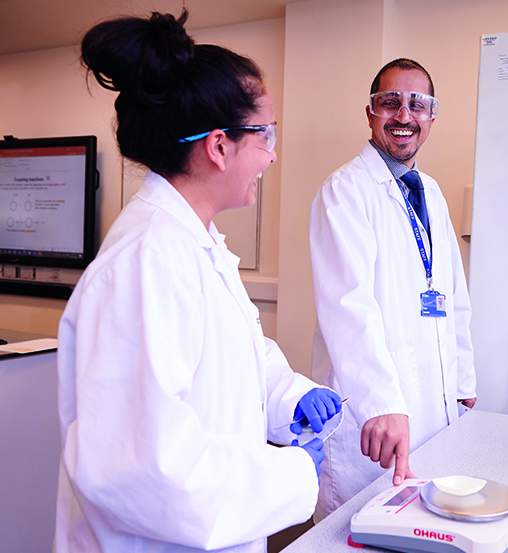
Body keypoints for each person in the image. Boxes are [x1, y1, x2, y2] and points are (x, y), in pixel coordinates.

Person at [55, 10, 342, 553]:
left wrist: (288, 397)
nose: (273, 154)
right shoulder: (145, 264)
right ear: (218, 146)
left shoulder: (196, 245)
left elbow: (230, 358)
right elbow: (149, 467)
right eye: (266, 134)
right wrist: (293, 473)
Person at [309, 58, 477, 519]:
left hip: (433, 409)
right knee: (365, 528)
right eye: (390, 103)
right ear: (370, 112)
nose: (404, 116)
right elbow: (348, 307)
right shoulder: (344, 191)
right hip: (374, 415)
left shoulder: (432, 192)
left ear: (431, 117)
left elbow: (453, 294)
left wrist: (463, 381)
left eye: (417, 105)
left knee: (427, 527)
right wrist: (381, 403)